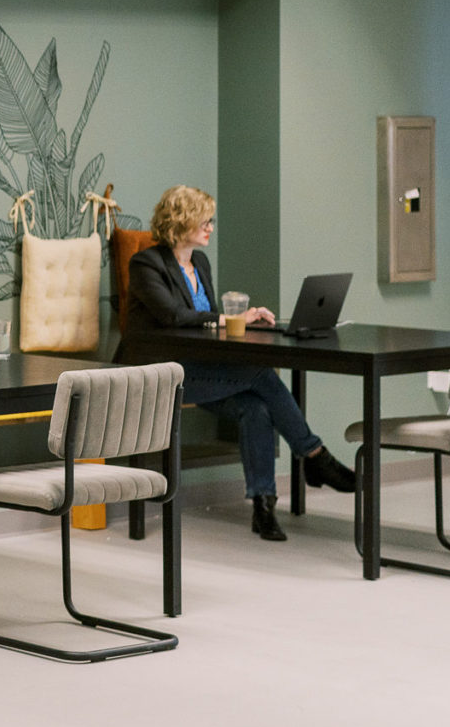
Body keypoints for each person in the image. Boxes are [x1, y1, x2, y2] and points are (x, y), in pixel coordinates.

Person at [126, 185, 360, 541]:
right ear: (180, 221)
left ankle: (263, 507)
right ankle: (314, 455)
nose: (210, 227)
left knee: (256, 408)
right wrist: (232, 319)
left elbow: (205, 318)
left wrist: (246, 321)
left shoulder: (199, 262)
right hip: (161, 372)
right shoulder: (146, 263)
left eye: (211, 220)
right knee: (260, 372)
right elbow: (173, 315)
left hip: (201, 368)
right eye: (204, 220)